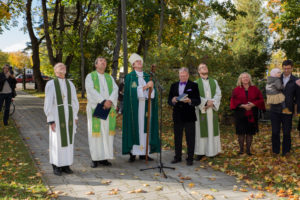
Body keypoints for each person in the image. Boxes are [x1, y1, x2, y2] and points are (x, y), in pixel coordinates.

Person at [122, 53, 160, 162]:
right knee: (136, 128)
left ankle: (144, 153)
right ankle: (133, 153)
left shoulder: (148, 76)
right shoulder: (130, 77)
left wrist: (151, 89)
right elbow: (130, 93)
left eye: (140, 61)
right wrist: (145, 87)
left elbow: (153, 94)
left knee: (145, 129)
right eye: (137, 61)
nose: (140, 62)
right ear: (133, 65)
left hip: (146, 107)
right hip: (135, 108)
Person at [44, 63, 79, 176]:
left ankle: (66, 165)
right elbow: (48, 102)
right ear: (55, 71)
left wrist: (75, 116)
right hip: (57, 116)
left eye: (64, 66)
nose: (63, 67)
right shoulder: (51, 84)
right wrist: (51, 119)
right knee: (57, 140)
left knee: (68, 140)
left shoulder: (70, 84)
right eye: (59, 66)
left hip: (69, 116)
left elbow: (74, 101)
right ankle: (56, 165)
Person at [85, 57, 119, 168]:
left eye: (105, 61)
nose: (103, 62)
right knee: (96, 134)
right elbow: (90, 90)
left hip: (108, 109)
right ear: (96, 65)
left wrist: (109, 101)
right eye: (100, 61)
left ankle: (104, 157)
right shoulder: (90, 76)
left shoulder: (109, 78)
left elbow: (115, 89)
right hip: (96, 108)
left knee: (107, 134)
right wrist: (103, 101)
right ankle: (95, 158)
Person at [168, 67, 200, 166]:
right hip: (177, 115)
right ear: (179, 75)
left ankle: (190, 158)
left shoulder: (194, 85)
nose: (182, 77)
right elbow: (169, 100)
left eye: (184, 76)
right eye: (181, 75)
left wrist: (190, 100)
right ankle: (177, 157)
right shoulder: (173, 85)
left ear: (188, 75)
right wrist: (172, 100)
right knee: (177, 137)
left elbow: (198, 100)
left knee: (190, 138)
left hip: (189, 115)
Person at [230, 72, 265, 156]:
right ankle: (241, 150)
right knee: (241, 132)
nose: (245, 79)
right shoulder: (236, 89)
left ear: (249, 79)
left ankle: (248, 151)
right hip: (240, 113)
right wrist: (243, 105)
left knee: (249, 132)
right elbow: (233, 100)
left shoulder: (255, 89)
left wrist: (253, 104)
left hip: (252, 113)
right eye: (243, 77)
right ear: (240, 79)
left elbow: (261, 99)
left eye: (247, 77)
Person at [270, 60, 299, 156]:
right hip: (275, 109)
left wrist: (296, 110)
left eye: (288, 68)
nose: (286, 70)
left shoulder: (296, 80)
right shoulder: (276, 78)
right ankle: (275, 151)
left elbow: (298, 97)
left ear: (292, 68)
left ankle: (286, 151)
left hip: (288, 110)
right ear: (282, 68)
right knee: (275, 131)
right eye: (285, 68)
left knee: (286, 132)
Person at [194, 63, 222, 160]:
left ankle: (212, 151)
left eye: (205, 66)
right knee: (201, 131)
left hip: (212, 110)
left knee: (212, 130)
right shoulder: (195, 83)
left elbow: (218, 94)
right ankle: (201, 152)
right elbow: (195, 96)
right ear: (199, 71)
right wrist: (205, 102)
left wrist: (212, 102)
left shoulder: (214, 81)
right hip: (202, 111)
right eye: (201, 67)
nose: (204, 68)